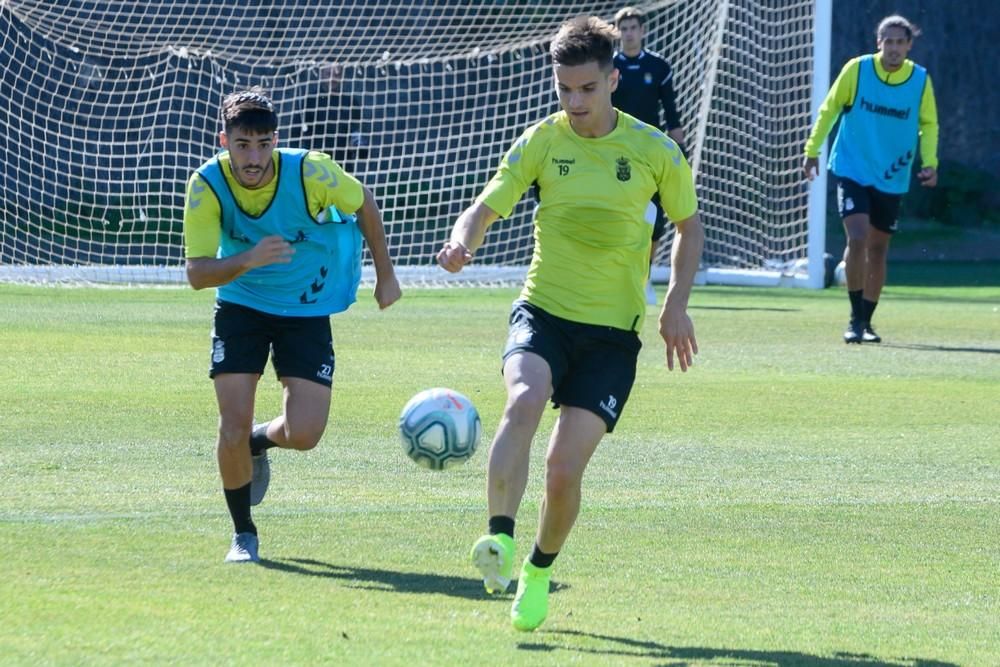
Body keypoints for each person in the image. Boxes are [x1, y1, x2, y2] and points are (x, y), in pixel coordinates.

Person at [437, 16, 703, 631]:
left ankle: (535, 570)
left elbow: (689, 227)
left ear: (612, 79)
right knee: (523, 400)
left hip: (612, 334)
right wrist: (462, 242)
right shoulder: (542, 141)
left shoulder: (654, 150)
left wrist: (676, 304)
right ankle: (499, 540)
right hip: (544, 311)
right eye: (565, 90)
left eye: (586, 88)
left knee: (562, 469)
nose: (575, 102)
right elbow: (485, 206)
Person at [183, 86, 401, 563]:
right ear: (225, 141)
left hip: (305, 309)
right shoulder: (207, 185)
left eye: (264, 145)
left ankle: (261, 441)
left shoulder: (310, 171)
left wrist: (386, 275)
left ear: (275, 141)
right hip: (241, 305)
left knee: (305, 434)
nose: (254, 157)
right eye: (243, 145)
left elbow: (362, 200)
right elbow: (198, 273)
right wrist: (250, 259)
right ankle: (243, 533)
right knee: (230, 424)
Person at [804, 15, 938, 344]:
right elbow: (830, 108)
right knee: (858, 237)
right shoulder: (858, 69)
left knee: (878, 250)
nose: (893, 48)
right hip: (852, 168)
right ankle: (853, 320)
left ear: (909, 45)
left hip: (891, 175)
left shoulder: (920, 80)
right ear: (878, 42)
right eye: (887, 41)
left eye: (899, 42)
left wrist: (930, 162)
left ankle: (867, 321)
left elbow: (929, 124)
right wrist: (812, 149)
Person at [612, 6, 688, 306]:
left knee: (654, 217)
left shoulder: (658, 67)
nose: (628, 33)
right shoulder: (608, 67)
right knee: (616, 212)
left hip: (649, 154)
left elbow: (671, 114)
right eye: (624, 28)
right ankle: (616, 275)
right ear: (617, 32)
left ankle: (642, 277)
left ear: (642, 31)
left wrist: (681, 155)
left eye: (633, 27)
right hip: (614, 151)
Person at [289, 64, 371, 176]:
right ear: (321, 74)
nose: (333, 79)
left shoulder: (351, 103)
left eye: (337, 74)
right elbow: (295, 134)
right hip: (314, 164)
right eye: (329, 74)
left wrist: (359, 146)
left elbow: (356, 133)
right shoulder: (309, 102)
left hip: (342, 165)